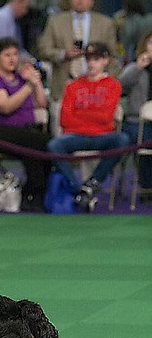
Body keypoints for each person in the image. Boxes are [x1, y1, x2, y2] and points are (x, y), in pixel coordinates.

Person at [47, 42, 129, 212]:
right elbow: (65, 119)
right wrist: (93, 117)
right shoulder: (72, 86)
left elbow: (107, 116)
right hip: (76, 136)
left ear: (105, 61)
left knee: (122, 140)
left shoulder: (113, 85)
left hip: (102, 135)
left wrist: (82, 116)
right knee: (54, 145)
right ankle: (79, 190)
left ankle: (92, 183)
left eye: (96, 59)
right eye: (89, 59)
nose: (91, 63)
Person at [0, 37, 49, 211]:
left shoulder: (21, 78)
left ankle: (38, 192)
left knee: (46, 142)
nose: (12, 59)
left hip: (22, 131)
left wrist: (35, 82)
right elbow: (5, 106)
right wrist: (28, 87)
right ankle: (33, 193)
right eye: (7, 55)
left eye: (15, 54)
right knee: (34, 142)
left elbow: (41, 104)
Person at [38, 0, 118, 134]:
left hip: (95, 90)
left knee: (93, 137)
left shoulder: (105, 23)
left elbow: (113, 56)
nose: (80, 0)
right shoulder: (55, 21)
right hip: (63, 83)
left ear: (91, 1)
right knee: (61, 136)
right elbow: (43, 50)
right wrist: (63, 54)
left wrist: (108, 81)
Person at [119, 30, 152, 191]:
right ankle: (147, 186)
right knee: (146, 138)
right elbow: (119, 87)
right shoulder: (135, 67)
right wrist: (138, 68)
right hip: (136, 122)